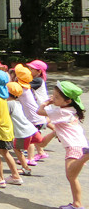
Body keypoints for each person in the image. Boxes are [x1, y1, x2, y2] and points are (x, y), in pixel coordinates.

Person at [37, 81, 89, 209]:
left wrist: (45, 103)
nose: (53, 99)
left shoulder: (61, 112)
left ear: (68, 101)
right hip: (78, 145)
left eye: (56, 97)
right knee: (72, 177)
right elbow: (56, 130)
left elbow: (40, 112)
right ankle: (76, 204)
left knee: (71, 175)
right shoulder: (69, 110)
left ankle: (77, 205)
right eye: (53, 95)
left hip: (73, 146)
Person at [5, 81, 44, 176]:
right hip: (32, 129)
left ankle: (26, 168)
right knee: (36, 143)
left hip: (22, 132)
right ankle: (33, 158)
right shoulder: (17, 102)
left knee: (17, 149)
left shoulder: (8, 104)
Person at [14, 64, 49, 165]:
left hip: (34, 119)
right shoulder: (25, 87)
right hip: (37, 118)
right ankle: (40, 152)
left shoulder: (21, 89)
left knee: (30, 139)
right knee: (34, 138)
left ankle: (30, 158)